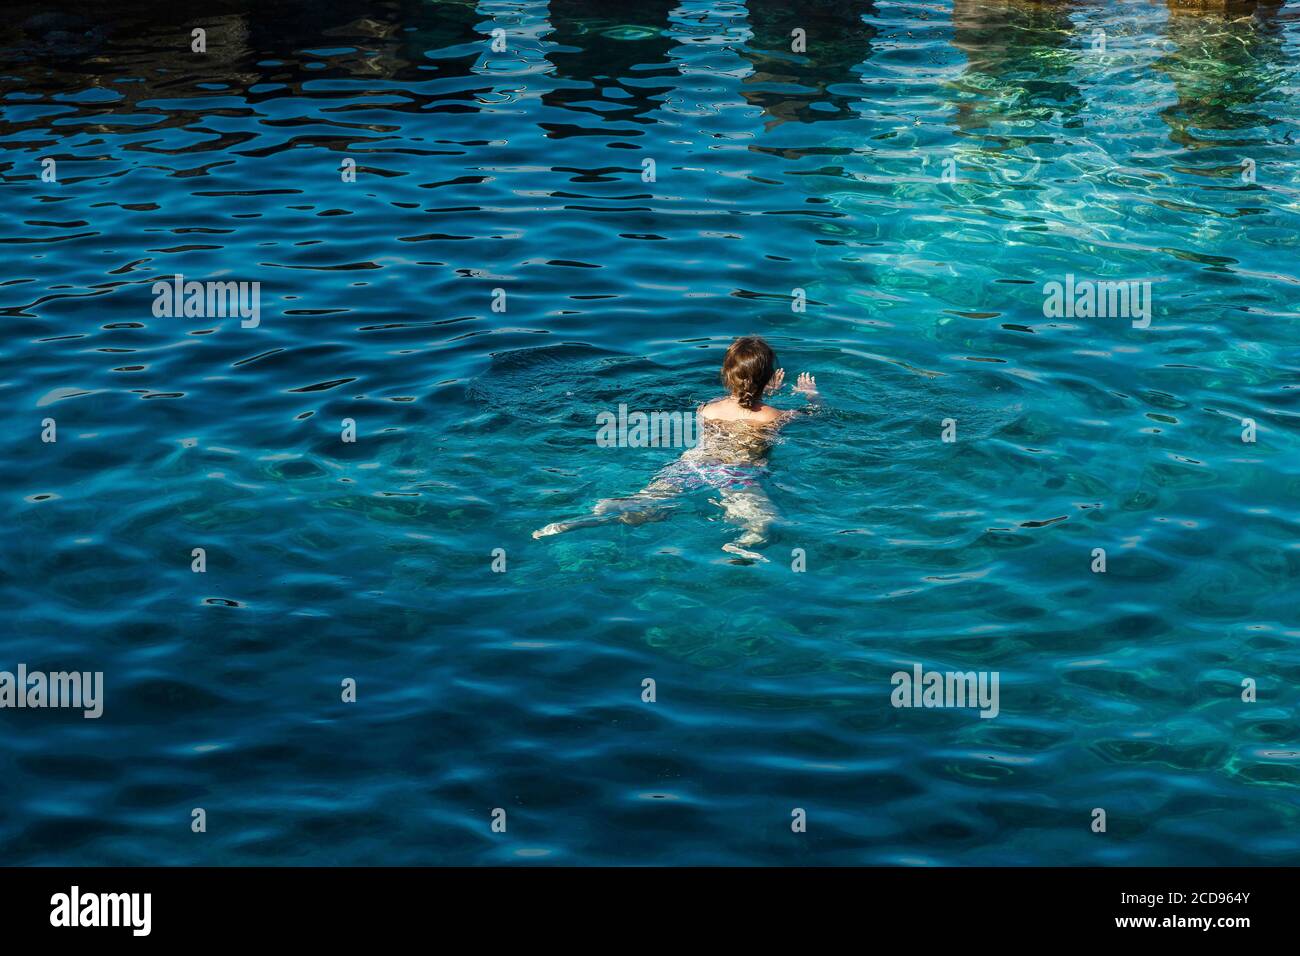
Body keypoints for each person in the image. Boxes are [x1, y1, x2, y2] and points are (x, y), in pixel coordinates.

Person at [532, 336, 818, 561]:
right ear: (767, 378)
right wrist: (810, 398)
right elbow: (812, 416)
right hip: (736, 472)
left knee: (646, 504)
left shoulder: (707, 409)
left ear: (726, 376)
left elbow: (738, 403)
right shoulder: (774, 416)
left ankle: (593, 517)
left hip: (693, 465)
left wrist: (761, 390)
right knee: (766, 522)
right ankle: (743, 541)